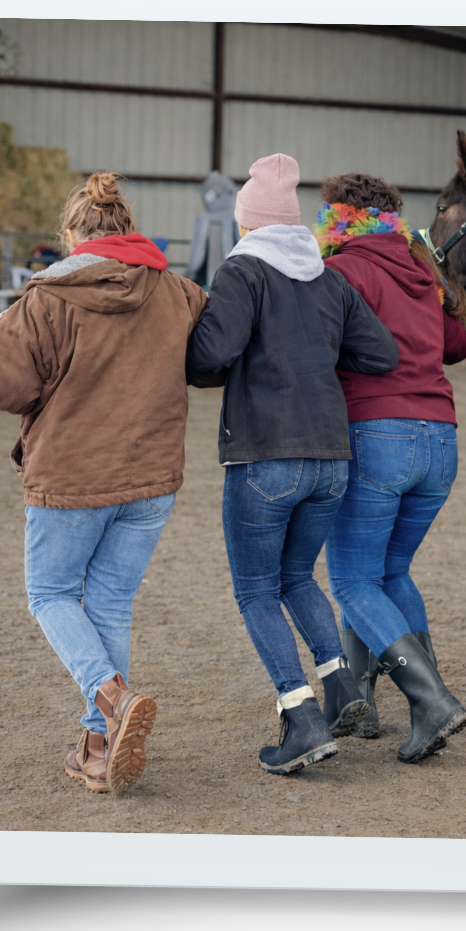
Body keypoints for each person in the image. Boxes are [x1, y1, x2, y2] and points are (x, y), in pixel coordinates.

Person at [0, 173, 207, 793]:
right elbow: (210, 348)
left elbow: (8, 388)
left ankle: (113, 697)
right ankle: (98, 750)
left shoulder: (47, 298)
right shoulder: (176, 289)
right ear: (126, 231)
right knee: (107, 604)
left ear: (72, 236)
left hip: (74, 476)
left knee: (49, 594)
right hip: (153, 478)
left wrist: (5, 324)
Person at [185, 154, 399, 774]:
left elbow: (210, 354)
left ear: (247, 222)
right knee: (298, 578)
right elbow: (379, 354)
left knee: (256, 591)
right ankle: (339, 686)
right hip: (331, 456)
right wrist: (316, 360)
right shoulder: (329, 278)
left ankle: (300, 715)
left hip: (264, 455)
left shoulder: (242, 271)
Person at [317, 173, 466, 764]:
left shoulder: (343, 270)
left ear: (341, 216)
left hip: (377, 434)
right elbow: (455, 345)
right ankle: (375, 703)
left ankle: (431, 699)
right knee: (389, 571)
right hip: (441, 438)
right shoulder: (419, 266)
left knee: (353, 581)